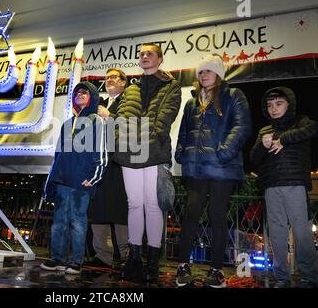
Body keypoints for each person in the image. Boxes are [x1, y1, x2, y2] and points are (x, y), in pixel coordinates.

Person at [175, 54, 251, 288]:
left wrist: (223, 153)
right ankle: (182, 265)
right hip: (196, 169)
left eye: (208, 71)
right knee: (190, 215)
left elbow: (242, 126)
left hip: (222, 168)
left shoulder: (233, 95)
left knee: (217, 216)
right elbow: (184, 132)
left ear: (218, 74)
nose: (203, 75)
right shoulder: (191, 102)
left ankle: (216, 270)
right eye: (200, 72)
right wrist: (181, 153)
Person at [113, 43, 182, 282]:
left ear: (160, 59)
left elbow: (167, 115)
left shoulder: (171, 85)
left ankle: (152, 263)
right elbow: (121, 116)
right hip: (129, 150)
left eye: (149, 53)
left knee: (152, 205)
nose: (143, 56)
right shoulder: (131, 88)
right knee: (134, 204)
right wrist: (119, 139)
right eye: (140, 53)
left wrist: (150, 138)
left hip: (154, 150)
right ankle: (134, 259)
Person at [250, 86, 318, 288]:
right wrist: (261, 145)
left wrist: (284, 139)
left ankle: (309, 277)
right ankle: (281, 277)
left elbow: (315, 128)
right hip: (271, 186)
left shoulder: (301, 122)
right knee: (277, 234)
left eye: (279, 103)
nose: (273, 108)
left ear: (290, 104)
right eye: (270, 105)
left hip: (295, 184)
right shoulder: (264, 130)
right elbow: (253, 158)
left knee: (302, 232)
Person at [41, 81, 107, 274]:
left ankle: (76, 261)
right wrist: (51, 181)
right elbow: (58, 155)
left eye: (84, 92)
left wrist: (94, 177)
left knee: (78, 221)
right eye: (77, 92)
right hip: (62, 180)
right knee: (59, 221)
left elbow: (101, 151)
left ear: (92, 97)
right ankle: (57, 258)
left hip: (82, 180)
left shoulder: (97, 120)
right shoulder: (67, 123)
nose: (79, 94)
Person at [86, 68, 129, 268]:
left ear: (123, 82)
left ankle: (126, 255)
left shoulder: (128, 102)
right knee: (98, 208)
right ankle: (102, 255)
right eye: (107, 78)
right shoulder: (99, 104)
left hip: (119, 162)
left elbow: (131, 127)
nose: (109, 80)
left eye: (114, 77)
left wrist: (109, 115)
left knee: (120, 209)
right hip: (98, 162)